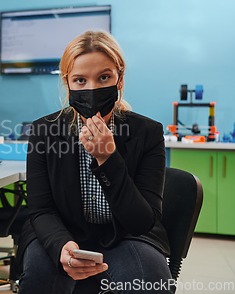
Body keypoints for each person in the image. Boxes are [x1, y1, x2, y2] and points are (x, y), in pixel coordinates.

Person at [17, 30, 173, 293]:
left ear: (119, 78)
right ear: (67, 83)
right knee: (38, 279)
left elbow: (142, 221)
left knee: (149, 283)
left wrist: (107, 158)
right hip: (61, 230)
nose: (92, 89)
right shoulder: (44, 130)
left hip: (127, 234)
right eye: (80, 80)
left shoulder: (148, 133)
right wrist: (61, 247)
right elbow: (41, 210)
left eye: (104, 77)